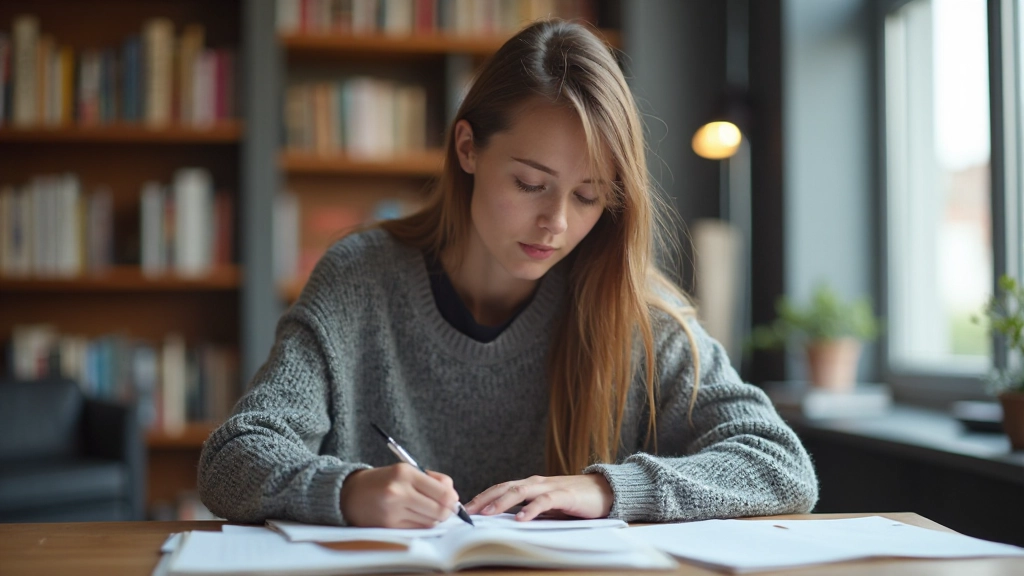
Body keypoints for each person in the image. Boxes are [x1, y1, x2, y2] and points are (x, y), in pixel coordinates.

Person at [198, 19, 818, 528]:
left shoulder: (633, 312)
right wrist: (348, 489)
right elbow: (232, 458)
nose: (555, 222)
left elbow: (780, 465)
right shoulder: (360, 280)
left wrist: (608, 491)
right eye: (529, 183)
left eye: (588, 196)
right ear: (467, 148)